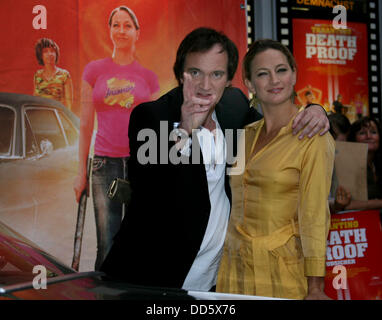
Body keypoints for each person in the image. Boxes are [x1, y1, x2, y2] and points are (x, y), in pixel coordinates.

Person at [100, 28, 329, 291]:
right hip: (149, 279)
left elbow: (275, 130)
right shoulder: (152, 117)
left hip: (214, 283)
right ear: (179, 74)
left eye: (217, 74)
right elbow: (151, 187)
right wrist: (184, 132)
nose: (205, 85)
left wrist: (315, 109)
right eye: (195, 72)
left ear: (229, 80)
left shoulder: (234, 109)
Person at [216, 39, 335, 299]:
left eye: (281, 70)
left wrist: (315, 287)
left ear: (294, 74)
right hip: (233, 272)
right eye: (262, 73)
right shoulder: (243, 135)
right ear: (249, 83)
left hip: (282, 275)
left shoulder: (312, 136)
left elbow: (315, 214)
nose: (274, 80)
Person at [73, 6, 159, 271]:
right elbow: (86, 124)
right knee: (108, 245)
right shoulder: (93, 71)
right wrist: (81, 173)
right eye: (116, 25)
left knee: (138, 242)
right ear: (110, 31)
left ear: (137, 33)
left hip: (140, 165)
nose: (121, 31)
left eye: (127, 26)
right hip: (104, 165)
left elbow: (154, 129)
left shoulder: (149, 78)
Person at [339, 117, 382, 210]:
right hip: (357, 221)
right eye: (362, 133)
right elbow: (345, 205)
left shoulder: (377, 163)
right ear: (353, 138)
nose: (368, 136)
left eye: (373, 132)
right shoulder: (347, 164)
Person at [34, 38, 73, 110]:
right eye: (45, 51)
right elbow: (35, 100)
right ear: (40, 55)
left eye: (52, 51)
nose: (50, 54)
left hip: (57, 117)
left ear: (56, 53)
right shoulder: (37, 75)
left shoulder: (64, 75)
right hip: (40, 116)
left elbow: (69, 104)